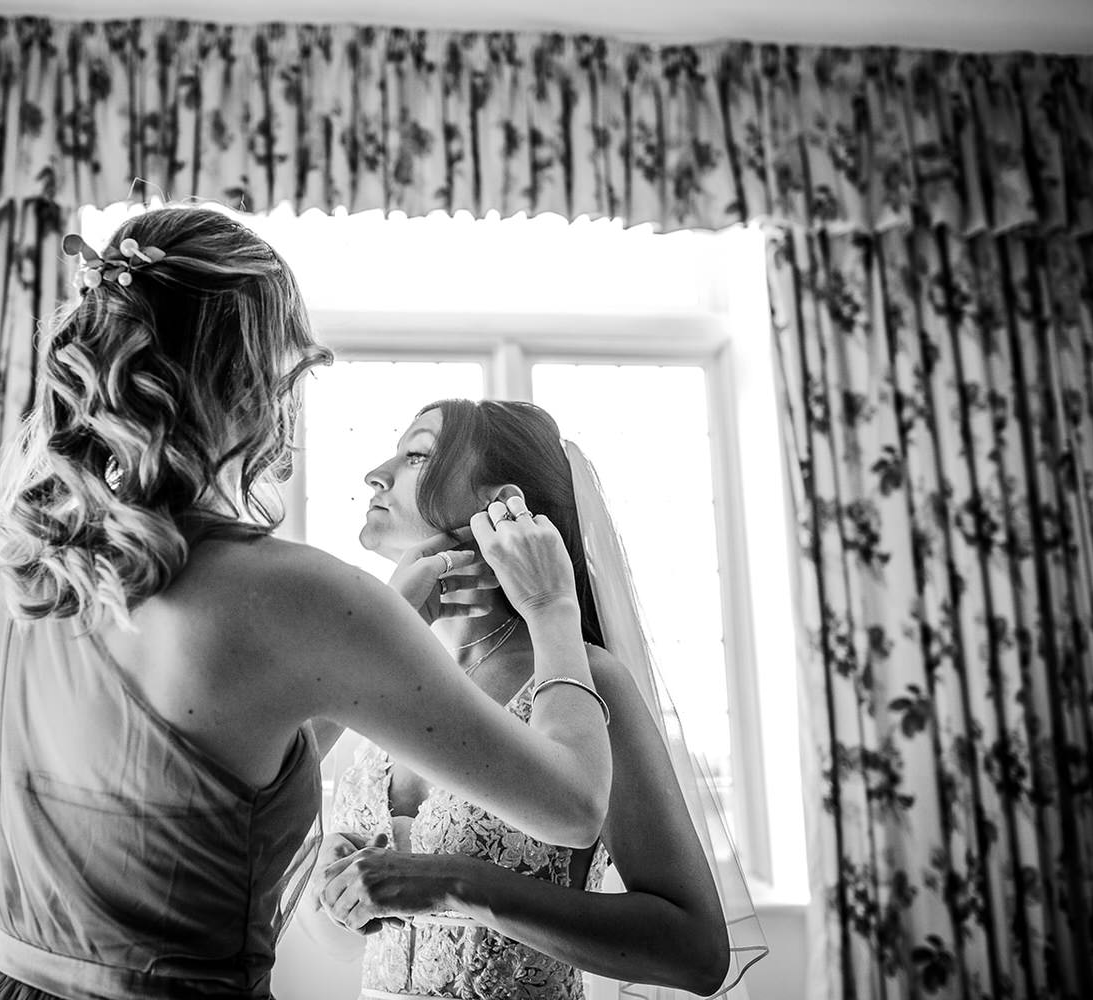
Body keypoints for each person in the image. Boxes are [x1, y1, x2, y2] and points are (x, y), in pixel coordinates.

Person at [0, 206, 615, 1000]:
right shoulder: (299, 598)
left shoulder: (21, 570)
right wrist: (551, 612)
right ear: (254, 380)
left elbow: (194, 774)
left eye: (416, 457)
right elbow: (576, 806)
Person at [302, 400, 768, 999]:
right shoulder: (380, 682)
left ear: (504, 506)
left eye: (416, 454)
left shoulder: (585, 683)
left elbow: (697, 954)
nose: (376, 471)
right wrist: (339, 890)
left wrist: (453, 882)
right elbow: (343, 941)